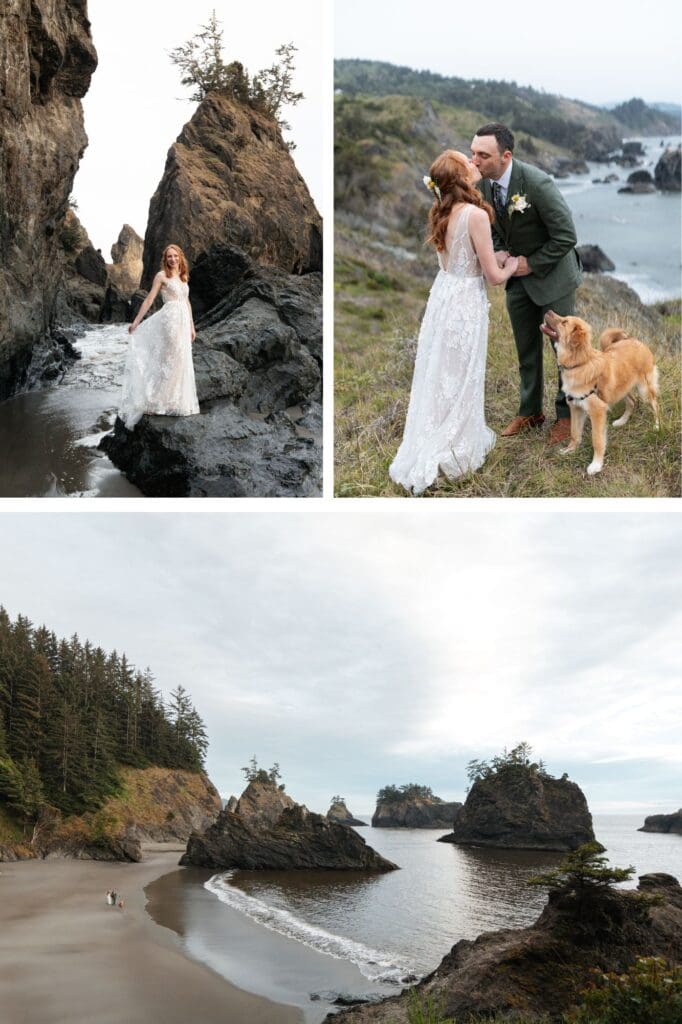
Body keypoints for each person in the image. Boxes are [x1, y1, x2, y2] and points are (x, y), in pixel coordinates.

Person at [389, 150, 519, 495]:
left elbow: (462, 258)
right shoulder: (475, 215)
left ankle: (437, 431)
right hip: (463, 302)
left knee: (442, 371)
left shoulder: (440, 211)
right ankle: (454, 443)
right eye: (468, 163)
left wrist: (493, 257)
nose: (474, 164)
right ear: (462, 178)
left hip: (443, 295)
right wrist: (512, 264)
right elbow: (492, 276)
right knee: (460, 374)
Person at [471, 122, 582, 444]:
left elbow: (567, 237)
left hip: (553, 279)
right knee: (526, 349)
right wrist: (499, 249)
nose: (474, 161)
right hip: (517, 281)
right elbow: (493, 225)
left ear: (505, 156)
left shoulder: (538, 183)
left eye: (483, 155)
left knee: (565, 352)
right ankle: (530, 411)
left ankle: (566, 416)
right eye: (473, 153)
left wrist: (530, 263)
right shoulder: (486, 185)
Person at [119, 243, 200, 429]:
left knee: (180, 360)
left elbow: (186, 303)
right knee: (170, 358)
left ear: (180, 257)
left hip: (183, 321)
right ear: (165, 259)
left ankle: (174, 400)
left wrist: (192, 327)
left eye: (176, 256)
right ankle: (156, 401)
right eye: (169, 256)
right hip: (170, 321)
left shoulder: (183, 276)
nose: (173, 259)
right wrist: (136, 322)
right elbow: (149, 299)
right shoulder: (161, 276)